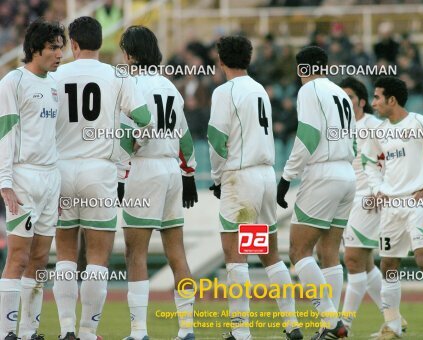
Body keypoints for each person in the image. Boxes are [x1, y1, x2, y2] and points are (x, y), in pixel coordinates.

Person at [52, 16, 153, 340]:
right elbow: (144, 120)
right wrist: (133, 143)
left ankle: (66, 328)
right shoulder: (117, 75)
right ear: (101, 43)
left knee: (65, 254)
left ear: (73, 44)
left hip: (62, 167)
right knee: (98, 257)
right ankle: (87, 332)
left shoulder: (56, 74)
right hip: (100, 170)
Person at [207, 36, 302, 340]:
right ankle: (291, 323)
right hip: (264, 176)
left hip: (240, 176)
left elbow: (216, 140)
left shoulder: (225, 91)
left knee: (235, 255)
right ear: (248, 59)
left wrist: (218, 177)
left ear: (221, 60)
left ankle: (241, 330)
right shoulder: (260, 89)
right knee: (270, 254)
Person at [362, 76, 423, 340]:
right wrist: (377, 189)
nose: (373, 103)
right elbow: (368, 161)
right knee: (388, 264)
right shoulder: (378, 132)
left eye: (377, 97)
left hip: (417, 202)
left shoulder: (421, 124)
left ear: (391, 100)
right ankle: (392, 326)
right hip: (391, 206)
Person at [119, 25, 199, 340]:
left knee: (134, 253)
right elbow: (185, 137)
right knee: (176, 252)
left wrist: (119, 174)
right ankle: (187, 329)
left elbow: (130, 135)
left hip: (144, 168)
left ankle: (139, 332)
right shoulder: (169, 86)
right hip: (171, 171)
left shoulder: (129, 85)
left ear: (129, 53)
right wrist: (189, 174)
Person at [277, 46, 356, 340]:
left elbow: (308, 135)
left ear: (302, 70)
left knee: (298, 251)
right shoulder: (339, 94)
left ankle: (331, 320)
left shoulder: (309, 90)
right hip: (347, 173)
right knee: (329, 253)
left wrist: (286, 176)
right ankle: (329, 327)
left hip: (323, 173)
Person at [0, 19, 65, 340]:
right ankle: (6, 331)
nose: (60, 54)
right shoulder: (14, 81)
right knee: (19, 257)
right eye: (54, 47)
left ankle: (29, 331)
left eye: (61, 47)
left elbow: (54, 139)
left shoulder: (54, 85)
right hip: (23, 178)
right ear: (35, 49)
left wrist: (60, 185)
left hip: (50, 179)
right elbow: (5, 133)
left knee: (41, 258)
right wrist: (5, 181)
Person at [339, 77, 408, 335]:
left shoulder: (373, 126)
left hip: (368, 198)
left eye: (350, 97)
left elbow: (394, 158)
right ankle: (395, 319)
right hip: (348, 197)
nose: (345, 102)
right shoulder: (339, 127)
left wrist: (384, 190)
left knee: (352, 259)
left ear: (362, 101)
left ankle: (344, 324)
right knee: (365, 264)